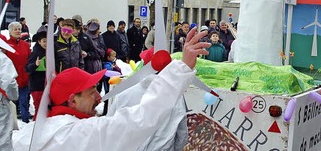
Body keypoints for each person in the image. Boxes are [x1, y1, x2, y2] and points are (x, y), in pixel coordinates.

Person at [12, 28, 211, 150]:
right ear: (73, 100)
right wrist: (182, 67)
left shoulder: (32, 135)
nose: (100, 97)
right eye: (92, 92)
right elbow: (140, 119)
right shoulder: (79, 135)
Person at [5, 21, 32, 123]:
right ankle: (10, 122)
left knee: (24, 101)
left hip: (24, 78)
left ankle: (25, 122)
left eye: (19, 29)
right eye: (15, 29)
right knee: (10, 103)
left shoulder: (25, 45)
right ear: (10, 31)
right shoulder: (6, 45)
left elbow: (30, 59)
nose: (18, 31)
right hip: (11, 79)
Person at [26, 30, 47, 118]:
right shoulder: (35, 53)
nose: (46, 43)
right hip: (37, 86)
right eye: (44, 41)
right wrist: (35, 64)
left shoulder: (50, 52)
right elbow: (27, 69)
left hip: (47, 85)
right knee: (39, 109)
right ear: (39, 42)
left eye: (48, 41)